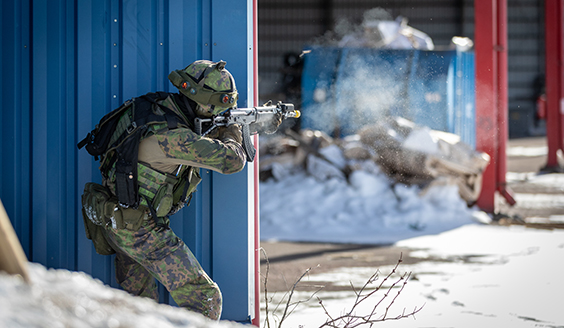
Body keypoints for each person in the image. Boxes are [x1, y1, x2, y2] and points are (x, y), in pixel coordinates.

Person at [80, 60, 270, 320]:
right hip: (141, 233)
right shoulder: (174, 138)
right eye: (215, 108)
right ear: (200, 101)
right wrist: (233, 129)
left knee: (141, 308)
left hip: (116, 221)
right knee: (205, 297)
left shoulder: (150, 108)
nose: (217, 114)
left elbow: (195, 138)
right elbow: (232, 161)